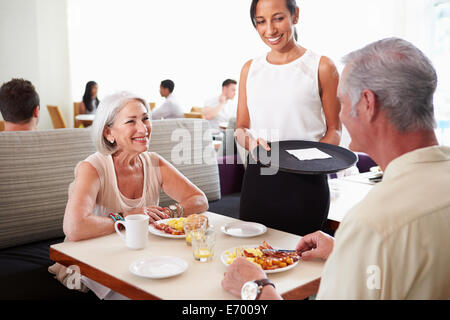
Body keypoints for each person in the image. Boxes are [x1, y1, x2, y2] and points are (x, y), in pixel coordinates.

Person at [222, 37, 450, 300]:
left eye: (341, 101)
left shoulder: (372, 224)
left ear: (367, 103)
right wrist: (346, 250)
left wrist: (257, 288)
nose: (338, 115)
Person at [51, 91, 209, 299]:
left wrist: (169, 212)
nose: (143, 128)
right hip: (90, 258)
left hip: (139, 252)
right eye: (131, 121)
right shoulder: (92, 167)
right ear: (109, 133)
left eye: (145, 119)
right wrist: (129, 216)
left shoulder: (154, 162)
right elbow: (75, 228)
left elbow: (199, 200)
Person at [235, 0, 341, 235]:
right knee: (254, 256)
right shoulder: (249, 69)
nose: (270, 30)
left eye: (278, 18)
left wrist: (313, 160)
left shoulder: (321, 66)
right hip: (259, 175)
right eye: (261, 21)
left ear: (295, 16)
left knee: (303, 259)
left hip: (306, 180)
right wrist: (250, 141)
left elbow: (335, 130)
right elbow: (241, 127)